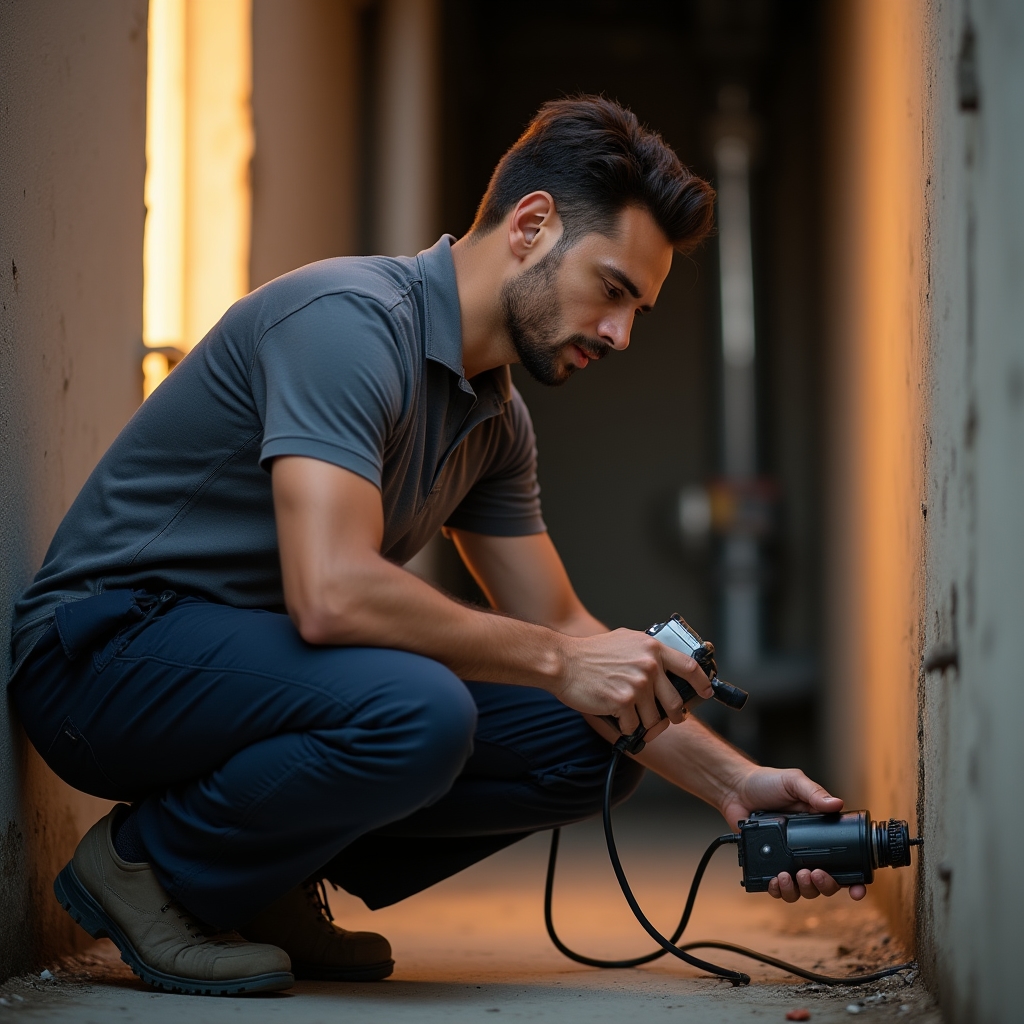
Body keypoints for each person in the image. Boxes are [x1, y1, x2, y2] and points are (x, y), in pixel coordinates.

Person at [9, 96, 862, 997]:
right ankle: (149, 867)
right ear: (531, 225)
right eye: (614, 289)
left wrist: (736, 784)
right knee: (421, 708)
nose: (620, 333)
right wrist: (559, 662)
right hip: (102, 661)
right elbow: (332, 592)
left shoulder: (495, 417)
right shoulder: (347, 323)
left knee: (593, 745)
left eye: (638, 309)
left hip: (236, 675)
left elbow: (562, 624)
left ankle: (254, 884)